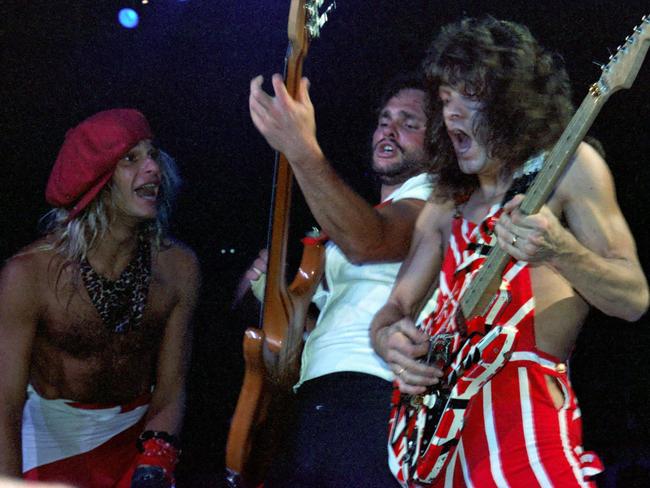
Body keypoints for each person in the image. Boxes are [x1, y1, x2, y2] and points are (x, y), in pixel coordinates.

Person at [370, 17, 649, 487]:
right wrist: (388, 341)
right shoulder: (444, 203)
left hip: (525, 445)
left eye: (469, 96)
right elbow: (395, 308)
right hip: (435, 454)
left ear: (511, 100)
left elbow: (634, 298)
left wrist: (560, 250)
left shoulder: (571, 169)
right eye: (444, 100)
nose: (452, 114)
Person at [242, 73, 436, 486]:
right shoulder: (367, 214)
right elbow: (325, 327)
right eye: (384, 120)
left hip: (373, 398)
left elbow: (369, 241)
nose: (389, 129)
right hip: (314, 400)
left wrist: (301, 149)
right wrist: (274, 301)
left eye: (409, 123)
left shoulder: (436, 203)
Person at [0, 109, 200, 488]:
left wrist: (155, 463)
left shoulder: (179, 268)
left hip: (137, 438)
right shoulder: (28, 275)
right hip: (50, 444)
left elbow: (171, 388)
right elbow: (4, 403)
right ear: (96, 178)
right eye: (130, 158)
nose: (153, 169)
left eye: (153, 155)